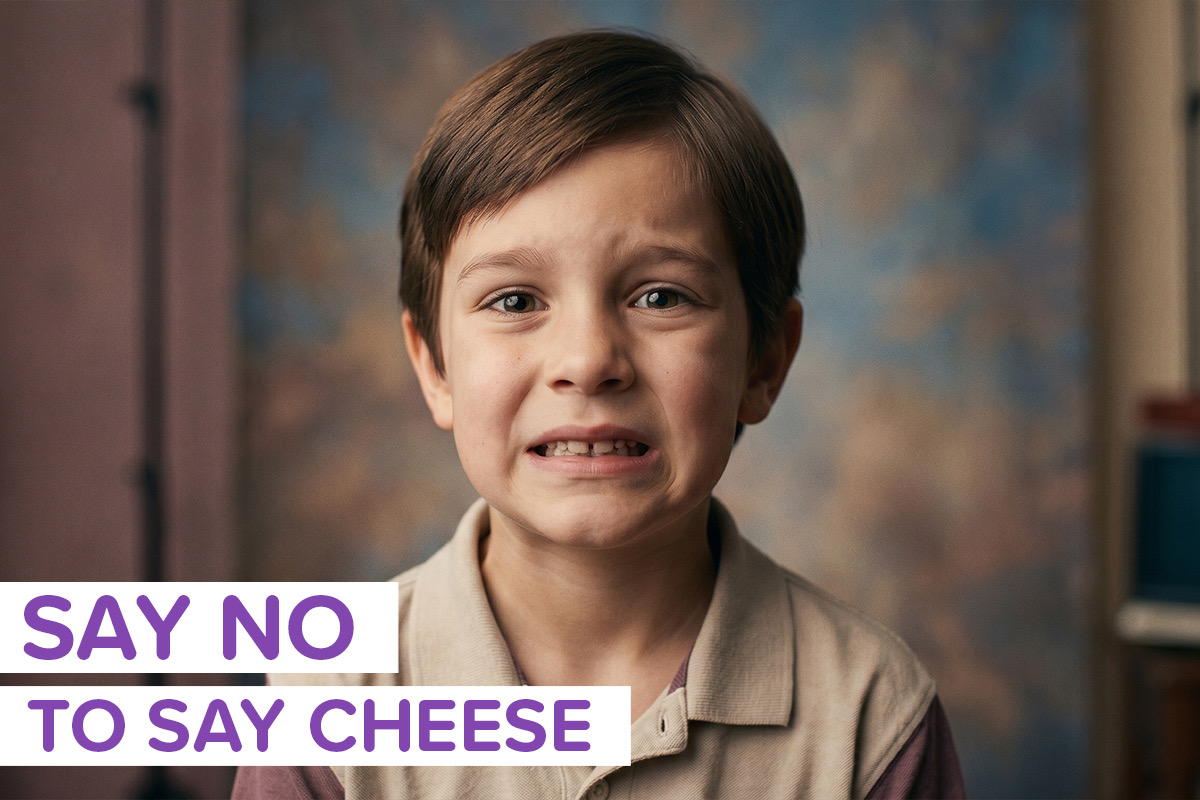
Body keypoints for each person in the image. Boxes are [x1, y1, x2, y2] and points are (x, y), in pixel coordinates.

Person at [233, 29, 964, 800]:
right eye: (515, 301)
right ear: (433, 366)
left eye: (661, 297)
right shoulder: (327, 709)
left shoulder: (871, 717)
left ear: (765, 362)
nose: (586, 360)